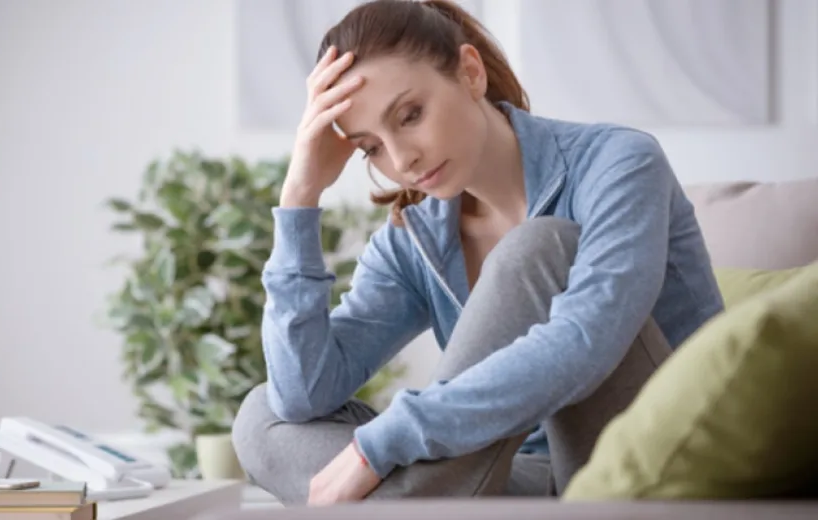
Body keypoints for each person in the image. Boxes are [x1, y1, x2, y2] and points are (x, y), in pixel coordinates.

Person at [231, 0, 724, 507]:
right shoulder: (415, 237)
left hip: (660, 458)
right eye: (371, 147)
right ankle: (427, 502)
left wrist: (378, 446)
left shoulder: (619, 163)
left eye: (410, 115)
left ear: (470, 72)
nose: (401, 159)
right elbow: (303, 394)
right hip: (524, 480)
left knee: (537, 248)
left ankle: (422, 502)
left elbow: (587, 340)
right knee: (261, 417)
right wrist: (299, 196)